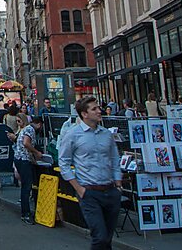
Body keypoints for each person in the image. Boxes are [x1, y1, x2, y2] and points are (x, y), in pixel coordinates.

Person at [58, 96, 122, 250]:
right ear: (84, 114)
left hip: (110, 190)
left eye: (98, 107)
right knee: (99, 237)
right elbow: (64, 162)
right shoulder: (73, 134)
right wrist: (79, 189)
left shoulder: (106, 134)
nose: (99, 111)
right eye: (94, 109)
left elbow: (114, 158)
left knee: (107, 238)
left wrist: (118, 184)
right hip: (90, 192)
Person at [8, 113, 43, 224]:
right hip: (23, 161)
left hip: (19, 159)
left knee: (25, 186)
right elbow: (26, 143)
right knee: (26, 187)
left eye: (19, 121)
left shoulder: (23, 130)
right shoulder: (30, 130)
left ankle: (25, 212)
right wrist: (37, 152)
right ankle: (26, 214)